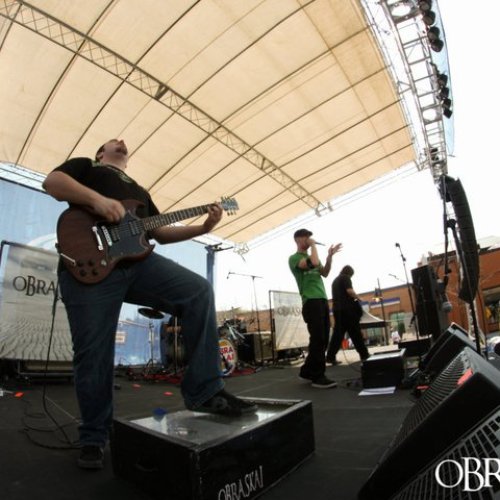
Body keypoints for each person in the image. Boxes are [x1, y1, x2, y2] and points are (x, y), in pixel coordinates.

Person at [42, 139, 257, 470]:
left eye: (124, 144)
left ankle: (205, 391)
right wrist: (98, 200)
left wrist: (205, 226)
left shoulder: (140, 191)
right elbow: (53, 182)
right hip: (89, 263)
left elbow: (161, 233)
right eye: (114, 141)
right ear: (101, 153)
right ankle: (94, 436)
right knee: (93, 352)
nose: (122, 142)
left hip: (138, 264)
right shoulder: (88, 166)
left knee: (198, 291)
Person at [288, 229, 342, 388]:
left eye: (309, 238)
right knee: (318, 338)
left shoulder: (313, 256)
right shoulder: (294, 258)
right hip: (310, 301)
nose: (309, 239)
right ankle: (318, 377)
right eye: (306, 237)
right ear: (298, 240)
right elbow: (313, 263)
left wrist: (329, 257)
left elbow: (324, 272)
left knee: (323, 339)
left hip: (322, 299)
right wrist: (313, 246)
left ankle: (307, 371)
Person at [326, 265, 370, 364]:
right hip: (347, 310)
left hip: (337, 310)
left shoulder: (335, 281)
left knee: (338, 335)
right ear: (349, 273)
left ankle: (330, 357)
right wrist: (359, 298)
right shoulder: (345, 278)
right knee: (355, 332)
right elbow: (349, 291)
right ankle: (364, 354)